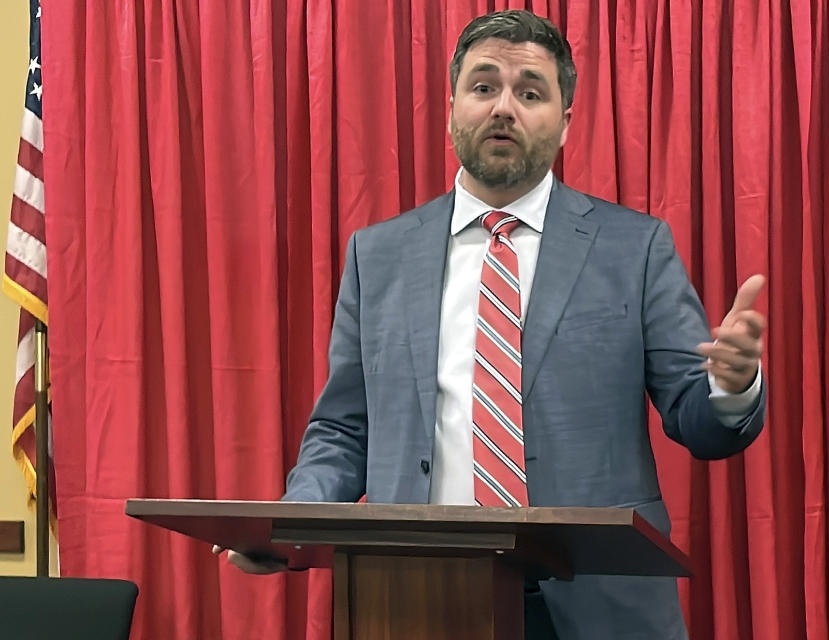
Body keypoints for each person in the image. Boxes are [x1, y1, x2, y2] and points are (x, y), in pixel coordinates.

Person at [217, 9, 767, 639]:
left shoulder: (634, 249)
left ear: (563, 123)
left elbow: (700, 423)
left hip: (598, 607)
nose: (503, 107)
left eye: (530, 92)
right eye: (484, 87)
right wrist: (289, 525)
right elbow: (345, 430)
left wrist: (732, 385)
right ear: (452, 106)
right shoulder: (378, 255)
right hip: (419, 598)